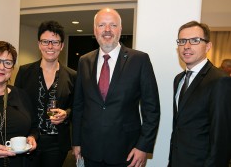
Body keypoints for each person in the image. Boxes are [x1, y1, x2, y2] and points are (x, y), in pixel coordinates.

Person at [72, 8, 160, 167]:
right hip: (91, 150)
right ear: (94, 30)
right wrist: (76, 142)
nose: (107, 30)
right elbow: (79, 106)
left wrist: (143, 146)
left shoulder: (139, 60)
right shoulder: (84, 61)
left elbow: (151, 108)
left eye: (113, 25)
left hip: (127, 151)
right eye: (102, 25)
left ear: (120, 29)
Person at [168, 21, 231, 166]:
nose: (187, 46)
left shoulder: (220, 81)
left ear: (208, 46)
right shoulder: (179, 79)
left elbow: (221, 138)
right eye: (182, 41)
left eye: (195, 40)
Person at [14, 20, 77, 167]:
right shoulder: (24, 72)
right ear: (39, 44)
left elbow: (78, 107)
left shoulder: (72, 75)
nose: (50, 46)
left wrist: (66, 113)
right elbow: (16, 106)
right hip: (29, 140)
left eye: (55, 42)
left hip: (57, 143)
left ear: (61, 46)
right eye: (45, 41)